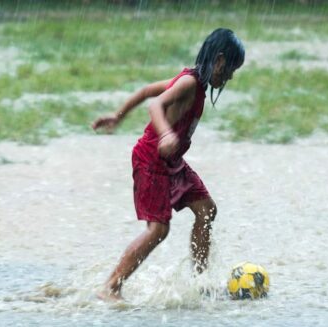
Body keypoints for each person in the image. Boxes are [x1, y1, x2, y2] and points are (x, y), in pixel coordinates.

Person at [91, 28, 245, 301]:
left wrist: (118, 117)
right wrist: (165, 133)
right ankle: (111, 286)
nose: (230, 77)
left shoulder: (194, 81)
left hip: (172, 162)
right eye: (230, 70)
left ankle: (201, 281)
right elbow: (156, 105)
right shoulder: (189, 83)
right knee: (159, 229)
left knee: (206, 210)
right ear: (219, 60)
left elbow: (147, 90)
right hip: (151, 159)